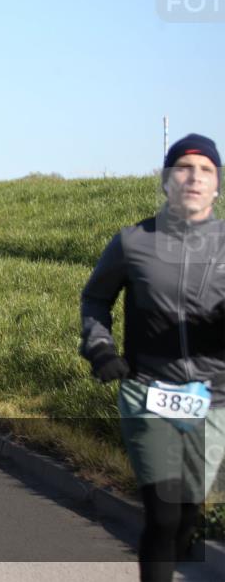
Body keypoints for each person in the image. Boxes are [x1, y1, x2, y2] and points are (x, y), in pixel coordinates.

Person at [80, 134, 224, 582]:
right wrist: (100, 347)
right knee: (162, 515)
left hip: (214, 399)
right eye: (184, 167)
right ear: (166, 180)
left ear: (217, 185)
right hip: (149, 393)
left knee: (184, 518)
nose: (194, 177)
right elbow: (95, 299)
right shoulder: (132, 242)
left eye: (206, 170)